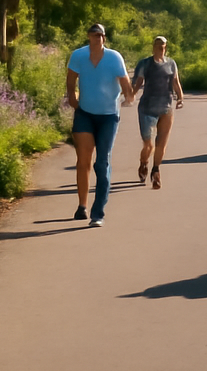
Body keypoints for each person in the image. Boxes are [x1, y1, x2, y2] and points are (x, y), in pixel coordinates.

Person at [65, 23, 134, 227]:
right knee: (84, 160)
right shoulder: (78, 55)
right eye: (94, 35)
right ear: (88, 36)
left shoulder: (114, 58)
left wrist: (129, 96)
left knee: (101, 163)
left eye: (101, 35)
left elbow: (125, 83)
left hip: (108, 117)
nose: (97, 38)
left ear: (104, 38)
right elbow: (71, 80)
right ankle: (82, 206)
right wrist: (71, 96)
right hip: (85, 113)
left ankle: (98, 213)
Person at [132, 35, 184, 189]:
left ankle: (156, 171)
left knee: (161, 144)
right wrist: (131, 94)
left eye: (163, 46)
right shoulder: (145, 63)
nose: (161, 48)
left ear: (165, 47)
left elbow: (175, 82)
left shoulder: (171, 64)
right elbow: (138, 82)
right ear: (153, 47)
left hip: (166, 108)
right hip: (147, 108)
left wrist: (180, 98)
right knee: (148, 146)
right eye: (158, 45)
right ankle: (143, 163)